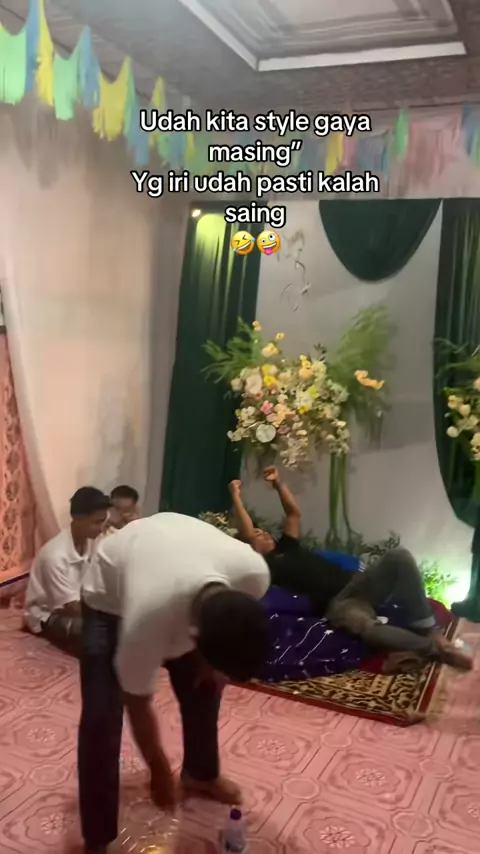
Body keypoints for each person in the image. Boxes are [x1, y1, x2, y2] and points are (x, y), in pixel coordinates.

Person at [78, 512, 271, 854]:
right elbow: (137, 702)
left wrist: (214, 671)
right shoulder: (146, 620)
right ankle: (98, 836)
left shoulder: (254, 575)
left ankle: (201, 774)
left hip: (172, 554)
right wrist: (159, 770)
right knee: (101, 716)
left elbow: (232, 637)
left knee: (205, 687)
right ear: (195, 638)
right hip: (109, 600)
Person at [229, 467, 472, 671]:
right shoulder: (266, 565)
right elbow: (247, 532)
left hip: (358, 582)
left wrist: (278, 484)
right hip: (340, 604)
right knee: (370, 631)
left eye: (264, 530)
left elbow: (293, 513)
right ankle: (435, 648)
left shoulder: (288, 546)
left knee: (400, 556)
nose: (264, 533)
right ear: (250, 547)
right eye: (258, 534)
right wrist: (235, 496)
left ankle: (430, 630)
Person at [24, 487, 111, 651]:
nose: (101, 529)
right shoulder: (54, 556)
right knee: (98, 632)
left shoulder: (93, 541)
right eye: (97, 522)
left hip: (80, 606)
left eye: (103, 522)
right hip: (48, 614)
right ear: (77, 518)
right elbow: (71, 607)